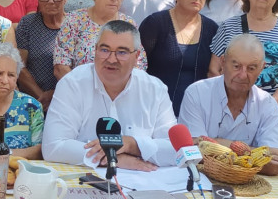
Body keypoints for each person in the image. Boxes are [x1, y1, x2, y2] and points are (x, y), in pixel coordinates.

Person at [43, 20, 177, 170]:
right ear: (95, 50)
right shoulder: (73, 84)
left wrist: (131, 144)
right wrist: (113, 158)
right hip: (88, 182)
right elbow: (52, 147)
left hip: (143, 183)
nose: (112, 59)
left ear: (136, 56)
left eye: (122, 52)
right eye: (105, 50)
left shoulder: (154, 89)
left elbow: (174, 149)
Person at [179, 34, 278, 175]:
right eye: (236, 66)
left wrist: (218, 143)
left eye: (251, 68)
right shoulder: (197, 93)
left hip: (247, 180)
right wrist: (254, 155)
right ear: (223, 63)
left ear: (262, 68)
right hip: (200, 177)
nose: (242, 75)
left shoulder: (267, 103)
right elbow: (195, 151)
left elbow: (274, 155)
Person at [140, 0, 219, 117]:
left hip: (196, 113)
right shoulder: (155, 23)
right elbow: (138, 66)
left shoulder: (212, 29)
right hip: (154, 110)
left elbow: (215, 75)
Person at [53, 0, 147, 80]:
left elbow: (139, 64)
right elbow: (61, 67)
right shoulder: (73, 21)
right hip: (80, 92)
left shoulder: (129, 24)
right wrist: (84, 94)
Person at [15, 0, 67, 111]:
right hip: (33, 100)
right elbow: (20, 66)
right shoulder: (28, 24)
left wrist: (55, 96)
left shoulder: (74, 25)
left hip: (68, 101)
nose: (51, 1)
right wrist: (42, 97)